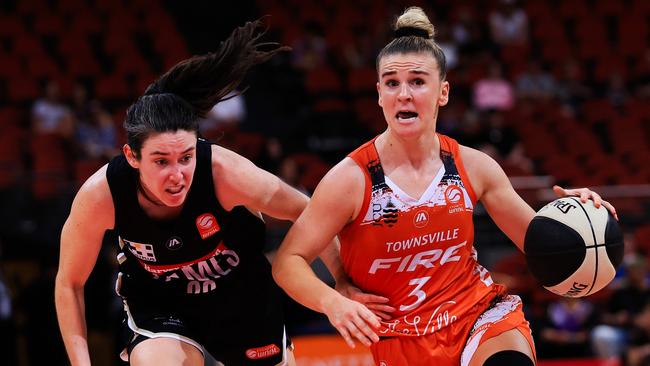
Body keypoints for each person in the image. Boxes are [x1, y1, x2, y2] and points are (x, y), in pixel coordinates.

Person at [272, 7, 618, 366]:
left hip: (478, 317)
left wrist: (575, 220)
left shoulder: (474, 165)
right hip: (402, 339)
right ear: (378, 94)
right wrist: (334, 301)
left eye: (418, 81)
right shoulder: (350, 179)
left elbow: (541, 246)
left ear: (443, 92)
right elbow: (287, 263)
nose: (403, 94)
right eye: (392, 83)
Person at [55, 20, 353, 366]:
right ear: (131, 157)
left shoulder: (226, 173)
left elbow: (311, 212)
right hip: (162, 307)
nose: (177, 175)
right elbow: (69, 283)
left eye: (186, 157)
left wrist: (342, 281)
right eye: (161, 161)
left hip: (243, 300)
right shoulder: (102, 195)